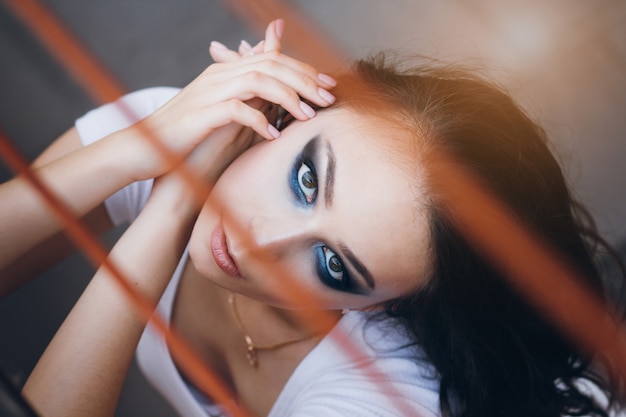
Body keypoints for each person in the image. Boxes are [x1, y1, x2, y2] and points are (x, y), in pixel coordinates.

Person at [0, 19, 623, 417]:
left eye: (333, 265)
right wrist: (141, 149)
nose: (260, 242)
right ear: (297, 108)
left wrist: (170, 210)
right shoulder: (182, 130)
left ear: (383, 307)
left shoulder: (384, 399)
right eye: (305, 179)